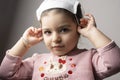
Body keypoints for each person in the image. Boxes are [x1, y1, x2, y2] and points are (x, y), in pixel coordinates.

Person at [0, 0, 120, 80]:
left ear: (79, 27)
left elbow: (116, 63)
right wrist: (24, 43)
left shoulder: (90, 59)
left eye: (63, 30)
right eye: (48, 32)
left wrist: (92, 32)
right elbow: (5, 73)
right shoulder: (37, 61)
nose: (55, 39)